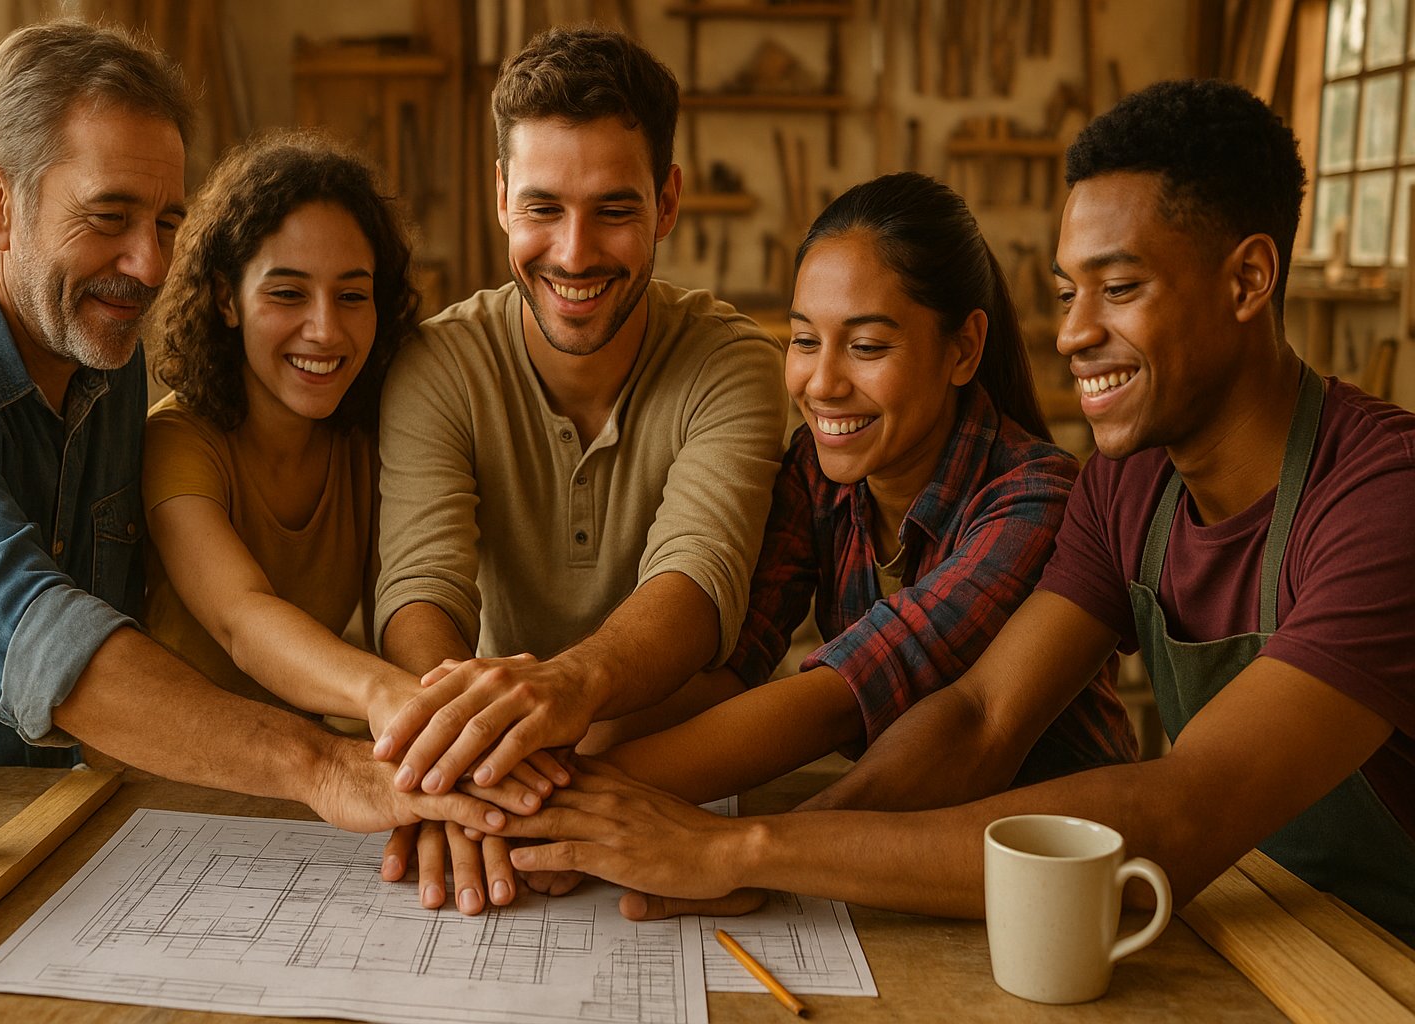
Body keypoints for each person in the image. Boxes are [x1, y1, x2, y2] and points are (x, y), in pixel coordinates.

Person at [498, 78, 1415, 945]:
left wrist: (742, 848)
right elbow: (979, 717)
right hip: (1264, 909)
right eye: (1066, 294)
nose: (1071, 333)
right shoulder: (1126, 484)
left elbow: (1186, 806)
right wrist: (568, 798)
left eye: (1120, 289)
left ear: (1249, 280)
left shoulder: (1386, 499)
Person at [0, 21, 536, 841]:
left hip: (69, 824)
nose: (151, 265)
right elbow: (36, 635)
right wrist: (323, 764)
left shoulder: (108, 361)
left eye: (165, 223)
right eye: (110, 215)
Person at [593, 173, 1137, 810]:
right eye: (803, 340)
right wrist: (558, 766)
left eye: (867, 346)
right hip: (900, 838)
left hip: (1054, 853)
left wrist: (595, 794)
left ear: (963, 349)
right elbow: (730, 669)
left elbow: (845, 695)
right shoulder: (815, 476)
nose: (822, 383)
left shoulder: (1036, 498)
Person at [141, 131, 564, 915]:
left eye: (354, 293)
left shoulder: (373, 437)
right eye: (287, 293)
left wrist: (443, 766)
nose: (326, 330)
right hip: (169, 800)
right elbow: (242, 619)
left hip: (315, 791)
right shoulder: (178, 441)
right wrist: (396, 702)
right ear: (226, 298)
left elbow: (416, 600)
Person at [373, 26, 787, 796]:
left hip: (674, 774)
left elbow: (696, 586)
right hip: (482, 769)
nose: (573, 252)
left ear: (667, 202)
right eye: (543, 208)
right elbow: (420, 590)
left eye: (613, 210)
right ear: (500, 198)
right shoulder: (437, 365)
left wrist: (566, 689)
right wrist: (477, 754)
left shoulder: (734, 364)